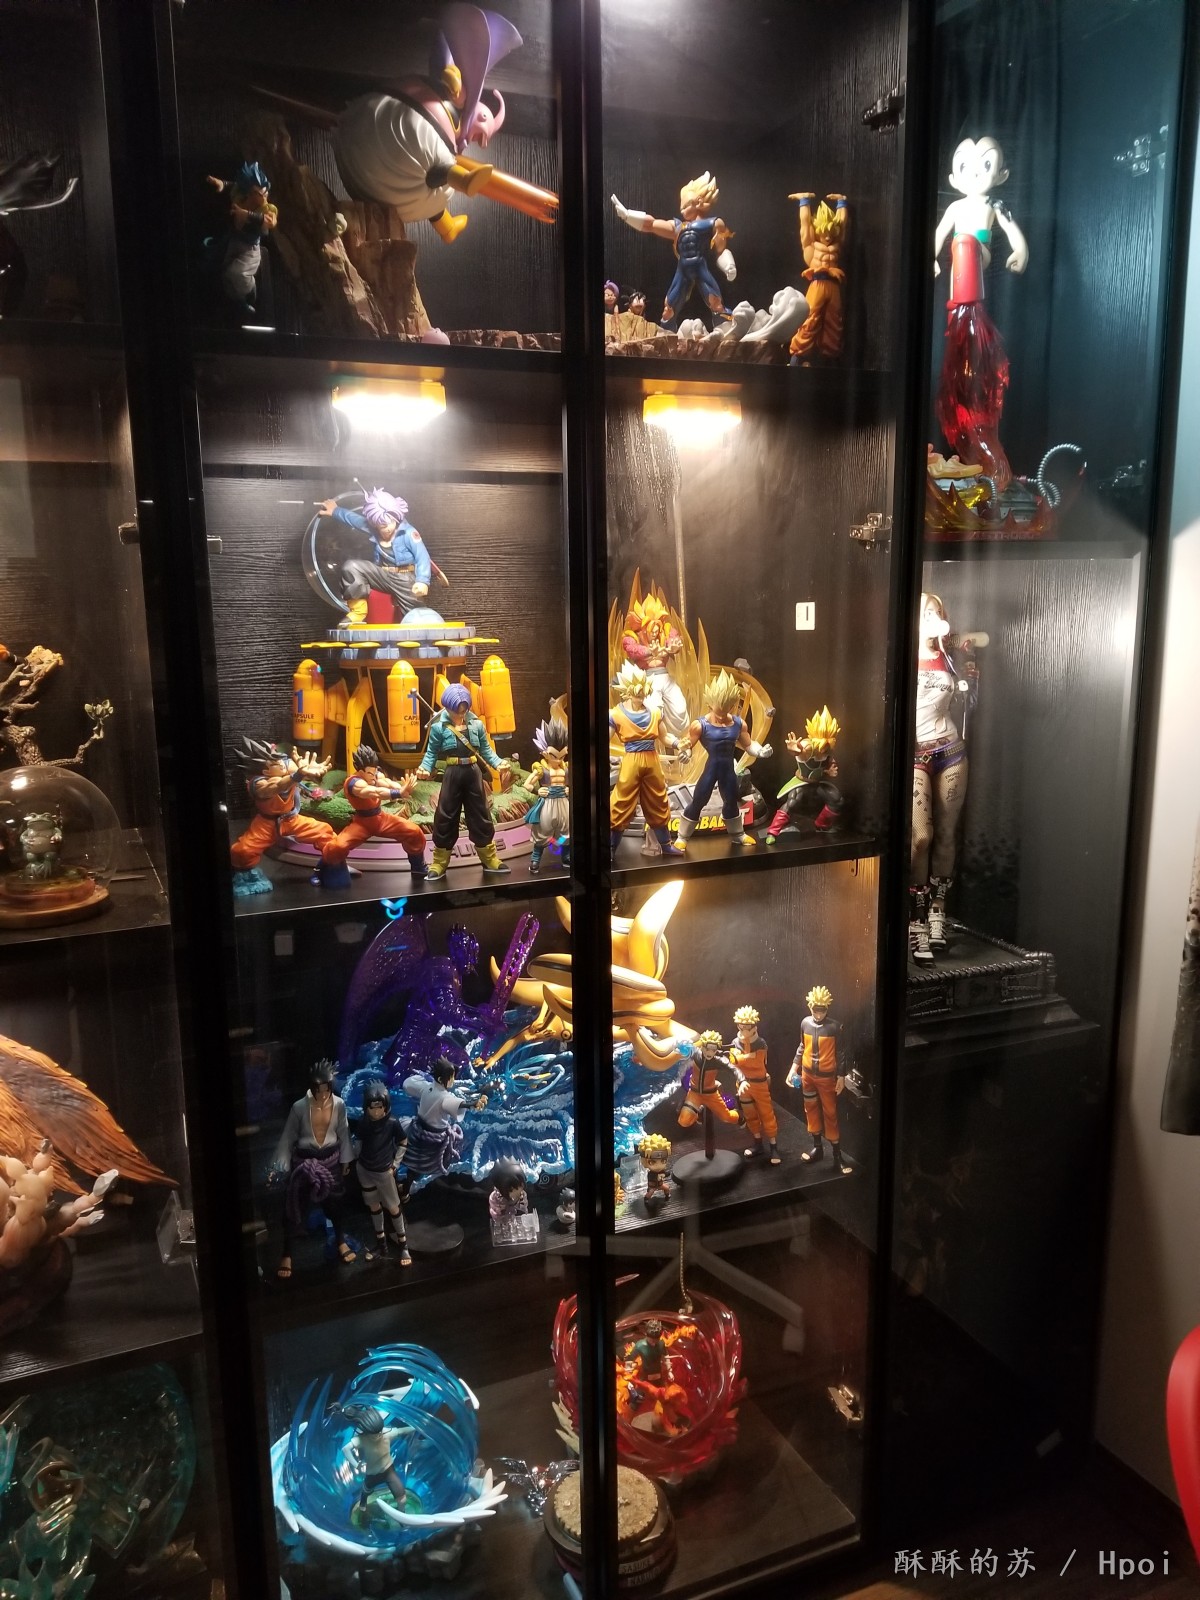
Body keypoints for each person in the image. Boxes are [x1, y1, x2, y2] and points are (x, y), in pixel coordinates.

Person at [932, 136, 1029, 489]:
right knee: (961, 244)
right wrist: (931, 257)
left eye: (986, 164)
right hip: (959, 274)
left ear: (1002, 175)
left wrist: (1020, 250)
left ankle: (991, 467)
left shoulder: (994, 205)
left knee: (967, 242)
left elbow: (1013, 233)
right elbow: (938, 234)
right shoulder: (955, 208)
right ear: (953, 179)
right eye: (964, 166)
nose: (974, 172)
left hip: (976, 256)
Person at [911, 594, 985, 962]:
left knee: (946, 834)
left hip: (950, 750)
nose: (931, 617)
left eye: (936, 612)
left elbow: (970, 703)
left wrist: (971, 680)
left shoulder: (950, 657)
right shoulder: (902, 653)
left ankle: (937, 911)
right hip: (914, 754)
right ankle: (915, 919)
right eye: (924, 612)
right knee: (920, 837)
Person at [611, 172, 737, 331]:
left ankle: (725, 328)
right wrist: (628, 215)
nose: (681, 210)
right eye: (681, 206)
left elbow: (721, 250)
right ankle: (667, 332)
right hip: (683, 269)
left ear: (698, 202)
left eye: (685, 205)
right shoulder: (678, 227)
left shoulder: (714, 224)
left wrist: (729, 266)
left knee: (715, 302)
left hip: (700, 266)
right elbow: (652, 224)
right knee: (669, 307)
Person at [417, 684, 512, 879]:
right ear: (447, 707)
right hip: (452, 773)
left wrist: (498, 763)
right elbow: (431, 752)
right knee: (445, 815)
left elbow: (486, 749)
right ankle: (439, 862)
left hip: (473, 773)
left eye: (464, 710)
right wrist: (425, 768)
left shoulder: (476, 725)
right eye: (456, 711)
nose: (460, 714)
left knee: (480, 814)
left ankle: (489, 858)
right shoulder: (438, 727)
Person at [271, 1059, 354, 1277]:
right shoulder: (299, 1107)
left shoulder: (339, 1104)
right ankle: (287, 1253)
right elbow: (288, 1136)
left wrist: (346, 1160)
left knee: (336, 1206)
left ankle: (340, 1240)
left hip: (330, 1160)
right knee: (293, 1207)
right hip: (304, 1161)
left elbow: (344, 1132)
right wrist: (280, 1164)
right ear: (312, 1087)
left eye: (327, 1089)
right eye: (319, 1090)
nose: (323, 1094)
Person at [676, 669, 770, 851]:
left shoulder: (738, 723)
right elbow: (687, 745)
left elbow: (748, 744)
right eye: (718, 710)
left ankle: (737, 834)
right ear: (709, 703)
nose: (721, 715)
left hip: (727, 769)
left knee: (731, 800)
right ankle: (682, 836)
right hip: (711, 769)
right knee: (699, 800)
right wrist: (685, 754)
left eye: (726, 710)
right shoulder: (699, 725)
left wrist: (760, 751)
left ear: (732, 704)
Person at [229, 738, 336, 895]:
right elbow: (277, 785)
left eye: (280, 759)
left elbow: (296, 768)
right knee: (242, 851)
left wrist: (307, 769)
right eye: (275, 763)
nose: (281, 763)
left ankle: (332, 866)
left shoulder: (285, 767)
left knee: (325, 832)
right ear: (266, 771)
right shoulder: (258, 783)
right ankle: (246, 877)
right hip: (266, 824)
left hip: (291, 819)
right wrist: (298, 774)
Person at [317, 488, 435, 626]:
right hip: (382, 575)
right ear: (374, 523)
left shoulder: (409, 533)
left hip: (405, 579)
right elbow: (355, 520)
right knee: (351, 567)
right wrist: (335, 510)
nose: (387, 528)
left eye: (390, 523)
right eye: (381, 525)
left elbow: (422, 556)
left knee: (416, 618)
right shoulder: (374, 528)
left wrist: (422, 581)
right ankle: (358, 612)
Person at [609, 662, 683, 861]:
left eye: (644, 693)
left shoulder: (655, 712)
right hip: (631, 762)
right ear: (627, 692)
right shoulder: (616, 714)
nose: (641, 697)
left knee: (658, 801)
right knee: (621, 803)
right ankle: (611, 848)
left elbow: (665, 737)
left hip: (651, 760)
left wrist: (678, 743)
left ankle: (666, 846)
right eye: (637, 693)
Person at [323, 744, 427, 881]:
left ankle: (418, 868)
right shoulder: (354, 783)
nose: (373, 776)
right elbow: (374, 791)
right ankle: (324, 869)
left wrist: (401, 788)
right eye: (370, 773)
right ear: (360, 771)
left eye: (374, 771)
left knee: (413, 831)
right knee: (337, 846)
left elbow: (386, 782)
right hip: (362, 823)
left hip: (380, 819)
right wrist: (397, 793)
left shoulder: (374, 773)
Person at [786, 985, 852, 1174]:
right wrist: (793, 1069)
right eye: (815, 1010)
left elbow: (841, 1053)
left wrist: (841, 1076)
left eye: (822, 1010)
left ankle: (837, 1155)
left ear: (827, 1009)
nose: (818, 1014)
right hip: (807, 1076)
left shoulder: (834, 1027)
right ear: (810, 1007)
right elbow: (802, 1047)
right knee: (811, 1109)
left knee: (830, 1113)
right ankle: (817, 1147)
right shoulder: (805, 1023)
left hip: (826, 1077)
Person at [350, 1079, 412, 1265]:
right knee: (374, 1207)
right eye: (372, 1108)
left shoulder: (392, 1123)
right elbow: (358, 1142)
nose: (376, 1112)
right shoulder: (364, 1122)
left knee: (393, 1208)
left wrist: (395, 1165)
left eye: (380, 1107)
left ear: (386, 1106)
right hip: (365, 1170)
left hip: (384, 1172)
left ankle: (404, 1246)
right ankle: (381, 1244)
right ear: (366, 1107)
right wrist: (354, 1156)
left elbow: (403, 1142)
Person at [204, 161, 276, 314]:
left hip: (250, 248)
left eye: (265, 192)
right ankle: (239, 302)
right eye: (259, 193)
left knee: (237, 273)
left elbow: (270, 221)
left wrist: (247, 214)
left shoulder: (266, 208)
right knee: (225, 272)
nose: (264, 196)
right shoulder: (241, 195)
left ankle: (251, 291)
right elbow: (234, 185)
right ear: (249, 192)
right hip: (235, 240)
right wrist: (222, 184)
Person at [401, 1057, 488, 1178]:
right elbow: (457, 1104)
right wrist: (473, 1104)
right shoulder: (443, 1097)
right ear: (441, 1079)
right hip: (433, 1139)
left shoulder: (427, 1087)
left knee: (413, 1159)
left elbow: (408, 1084)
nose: (453, 1080)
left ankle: (408, 1180)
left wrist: (424, 1077)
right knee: (430, 1162)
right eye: (451, 1077)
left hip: (416, 1130)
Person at [787, 193, 848, 363]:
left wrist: (842, 203)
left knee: (834, 322)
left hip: (833, 286)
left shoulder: (837, 243)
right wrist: (804, 201)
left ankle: (830, 359)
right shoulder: (812, 246)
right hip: (817, 284)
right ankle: (797, 356)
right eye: (824, 232)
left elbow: (842, 225)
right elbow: (805, 225)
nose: (828, 237)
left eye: (830, 232)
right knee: (810, 319)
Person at [330, 1403, 407, 1523]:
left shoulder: (385, 1433)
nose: (379, 1435)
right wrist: (356, 1464)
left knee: (401, 1498)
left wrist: (419, 1426)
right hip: (372, 1474)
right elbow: (345, 1449)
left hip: (389, 1471)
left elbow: (402, 1431)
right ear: (367, 1431)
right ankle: (363, 1504)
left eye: (379, 1432)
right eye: (375, 1433)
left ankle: (402, 1519)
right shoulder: (362, 1440)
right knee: (366, 1491)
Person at [729, 1005, 779, 1164]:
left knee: (767, 1114)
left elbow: (757, 1063)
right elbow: (733, 1062)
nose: (743, 1030)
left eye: (747, 1027)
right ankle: (758, 1143)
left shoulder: (760, 1043)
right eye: (741, 1027)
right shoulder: (735, 1042)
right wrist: (747, 1057)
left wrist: (742, 1058)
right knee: (750, 1115)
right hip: (743, 1085)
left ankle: (774, 1146)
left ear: (754, 1028)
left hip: (759, 1084)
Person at [526, 711, 569, 874]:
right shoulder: (541, 768)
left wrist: (569, 789)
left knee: (566, 831)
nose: (558, 760)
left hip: (563, 801)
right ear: (545, 752)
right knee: (542, 831)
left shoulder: (566, 767)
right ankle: (536, 858)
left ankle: (565, 855)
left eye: (562, 756)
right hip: (548, 802)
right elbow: (527, 784)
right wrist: (538, 790)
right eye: (554, 756)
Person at [677, 1030, 740, 1130]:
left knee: (728, 1117)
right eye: (707, 1049)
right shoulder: (695, 1054)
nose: (710, 1053)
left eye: (713, 1050)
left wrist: (742, 1079)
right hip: (694, 1093)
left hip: (711, 1095)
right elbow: (682, 1046)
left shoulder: (718, 1061)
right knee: (684, 1121)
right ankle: (697, 1110)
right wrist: (678, 1045)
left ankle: (739, 1116)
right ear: (702, 1046)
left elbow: (734, 1069)